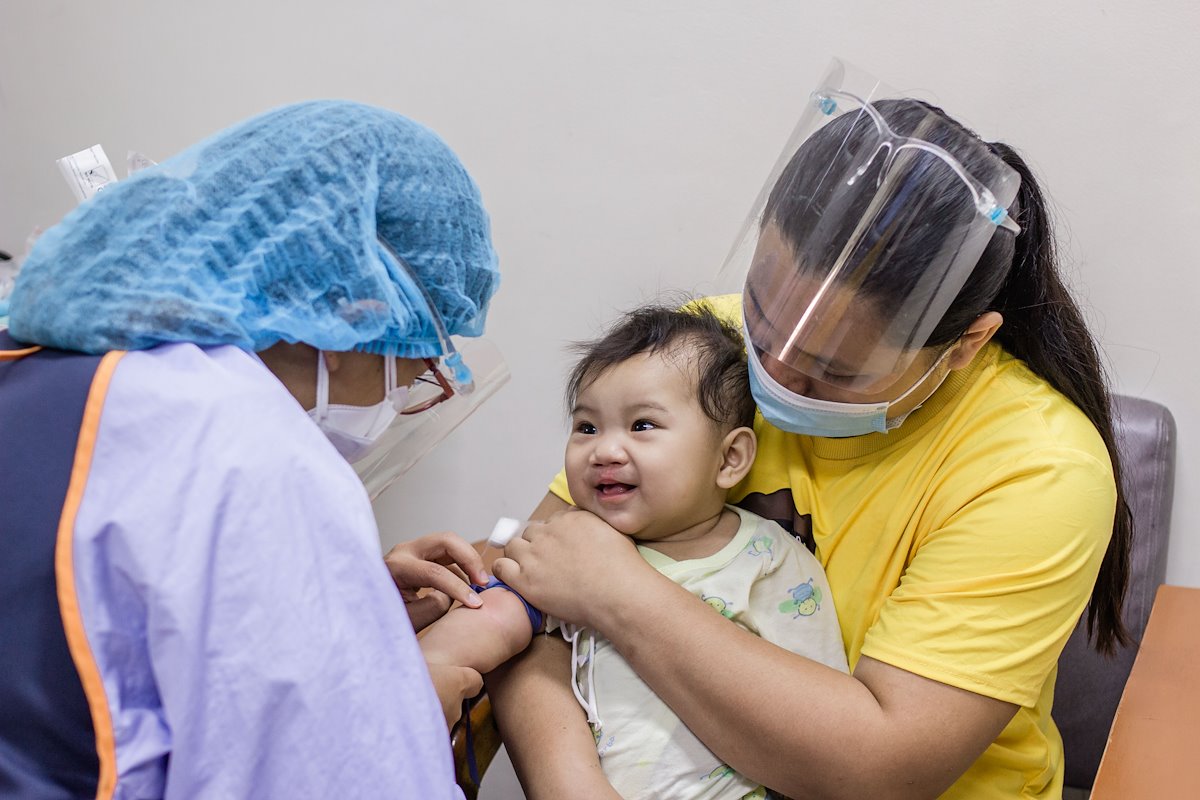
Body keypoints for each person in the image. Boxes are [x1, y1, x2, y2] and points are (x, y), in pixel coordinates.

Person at [485, 66, 1130, 799]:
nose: (774, 375)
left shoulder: (1037, 469)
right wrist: (568, 776)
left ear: (964, 346)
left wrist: (620, 597)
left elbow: (880, 768)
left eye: (832, 372)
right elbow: (529, 593)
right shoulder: (705, 353)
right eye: (761, 315)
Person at [0, 101, 503, 798]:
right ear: (353, 302)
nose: (399, 399)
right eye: (415, 372)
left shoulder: (34, 364)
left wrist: (340, 608)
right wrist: (408, 709)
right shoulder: (242, 445)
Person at [418, 304, 848, 799]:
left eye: (642, 426)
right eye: (586, 427)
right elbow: (489, 617)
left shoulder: (768, 559)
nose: (604, 450)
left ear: (730, 458)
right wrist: (425, 666)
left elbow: (816, 717)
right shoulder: (566, 548)